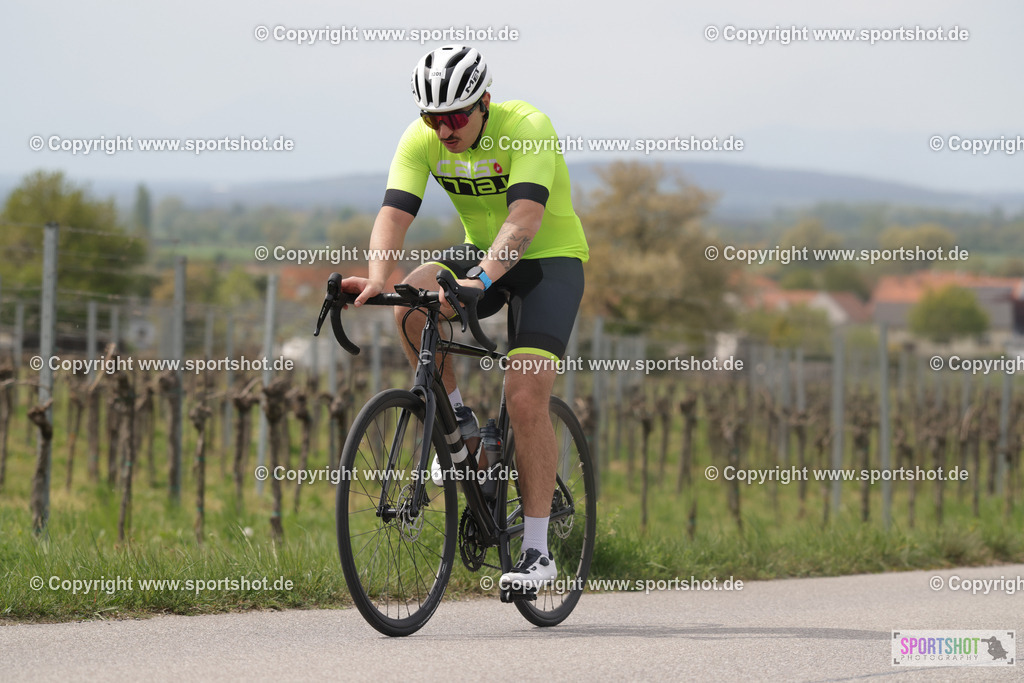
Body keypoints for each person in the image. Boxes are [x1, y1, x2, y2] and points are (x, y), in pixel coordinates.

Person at [341, 45, 588, 591]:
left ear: (484, 103)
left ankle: (537, 551)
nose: (444, 129)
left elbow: (525, 216)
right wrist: (379, 278)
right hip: (482, 254)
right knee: (409, 302)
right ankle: (462, 430)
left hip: (549, 263)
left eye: (455, 116)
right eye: (434, 117)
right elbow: (394, 213)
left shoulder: (527, 126)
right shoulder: (421, 138)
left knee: (525, 397)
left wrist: (483, 280)